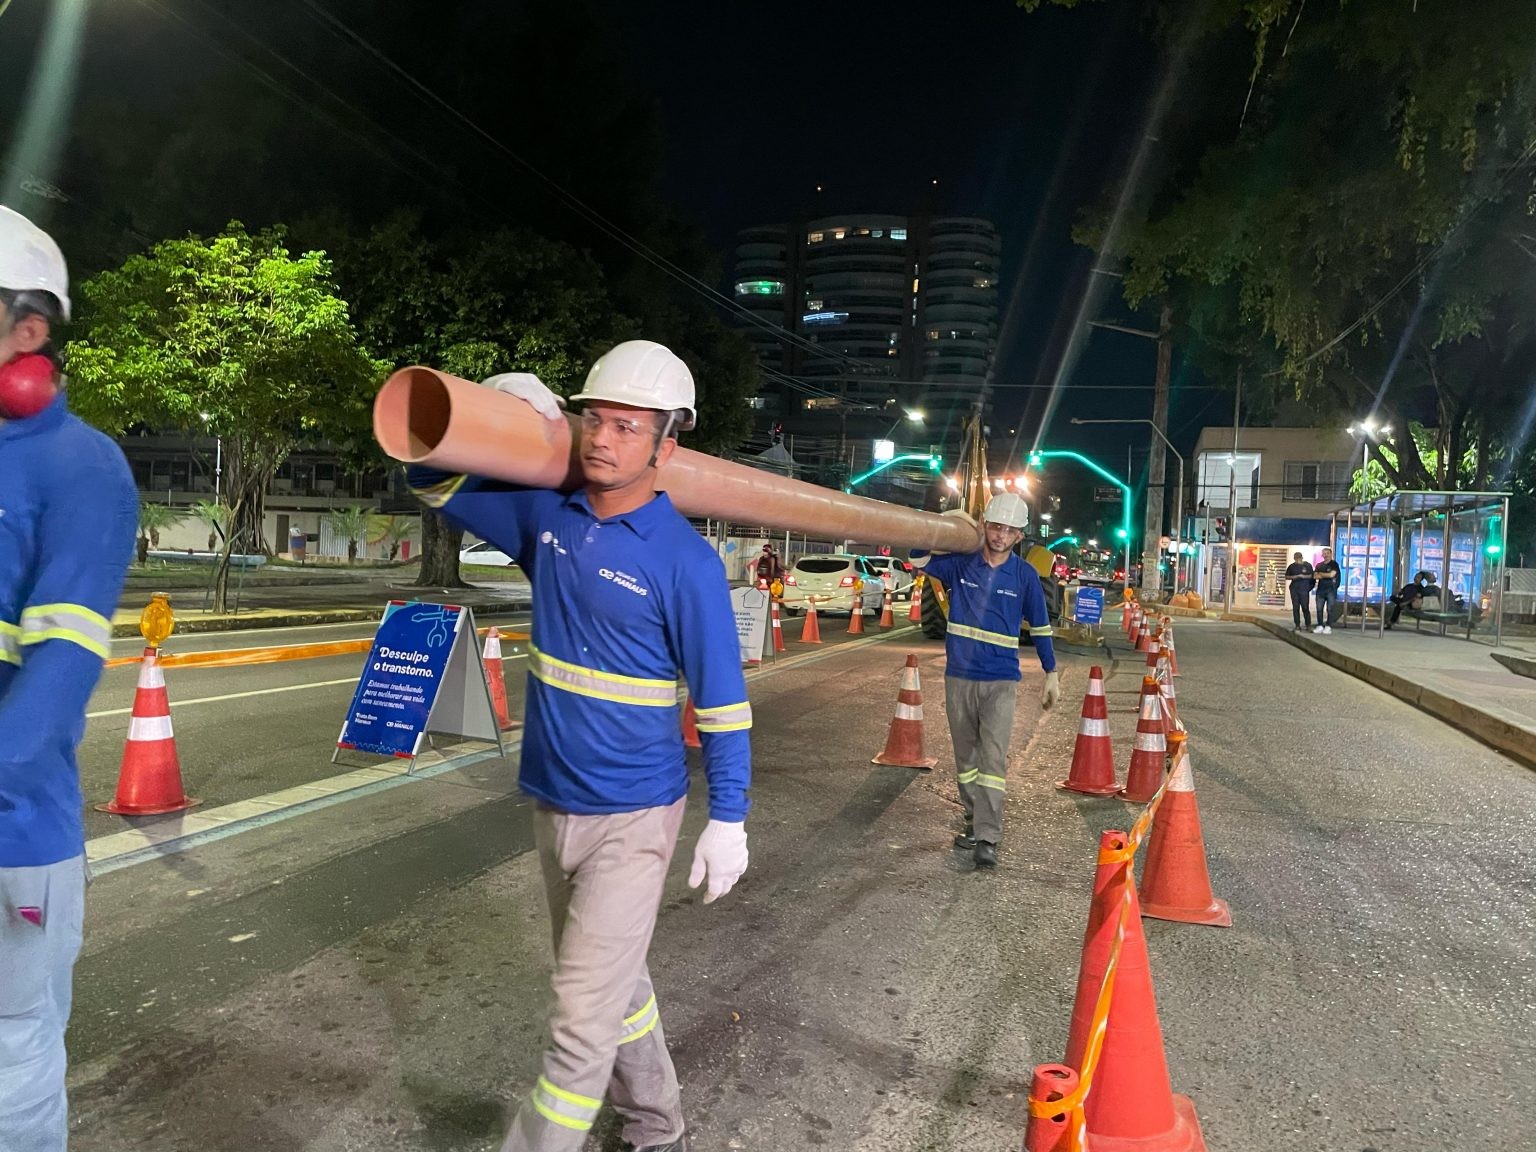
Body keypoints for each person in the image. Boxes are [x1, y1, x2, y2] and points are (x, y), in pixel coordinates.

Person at [408, 340, 750, 1152]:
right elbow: (424, 477)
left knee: (578, 1024)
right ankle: (657, 1125)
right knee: (612, 986)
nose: (603, 439)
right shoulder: (548, 520)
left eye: (629, 427)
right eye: (594, 417)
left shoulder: (684, 563)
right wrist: (488, 409)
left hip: (634, 817)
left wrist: (729, 817)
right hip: (551, 803)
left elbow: (725, 708)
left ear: (669, 444)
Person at [0, 206, 138, 1151]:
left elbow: (55, 679)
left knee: (11, 1060)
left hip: (14, 834)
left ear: (29, 328)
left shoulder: (82, 467)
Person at [910, 492, 1061, 869]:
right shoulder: (961, 565)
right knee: (966, 759)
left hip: (1000, 682)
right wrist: (943, 521)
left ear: (1018, 536)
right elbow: (916, 557)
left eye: (1009, 530)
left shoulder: (1025, 576)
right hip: (959, 678)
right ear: (984, 527)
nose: (1000, 535)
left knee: (992, 758)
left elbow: (1041, 628)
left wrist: (1051, 673)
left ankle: (988, 836)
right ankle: (973, 819)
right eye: (995, 527)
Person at [1313, 547, 1341, 634]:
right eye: (1324, 553)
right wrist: (1325, 575)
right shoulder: (1319, 565)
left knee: (1330, 609)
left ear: (1330, 554)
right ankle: (1320, 625)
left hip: (1331, 590)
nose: (1325, 555)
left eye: (1327, 553)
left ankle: (1328, 626)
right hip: (1320, 590)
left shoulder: (1334, 564)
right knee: (1319, 608)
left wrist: (1321, 574)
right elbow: (1315, 576)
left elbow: (1331, 575)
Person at [1284, 552, 1314, 631]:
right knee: (1295, 607)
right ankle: (1297, 625)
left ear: (1302, 558)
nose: (1297, 560)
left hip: (1304, 589)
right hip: (1294, 589)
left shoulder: (1307, 565)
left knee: (1305, 607)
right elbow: (1286, 576)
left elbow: (1312, 576)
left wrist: (1303, 576)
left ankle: (1308, 625)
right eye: (1296, 559)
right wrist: (1295, 576)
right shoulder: (1292, 566)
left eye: (1299, 558)